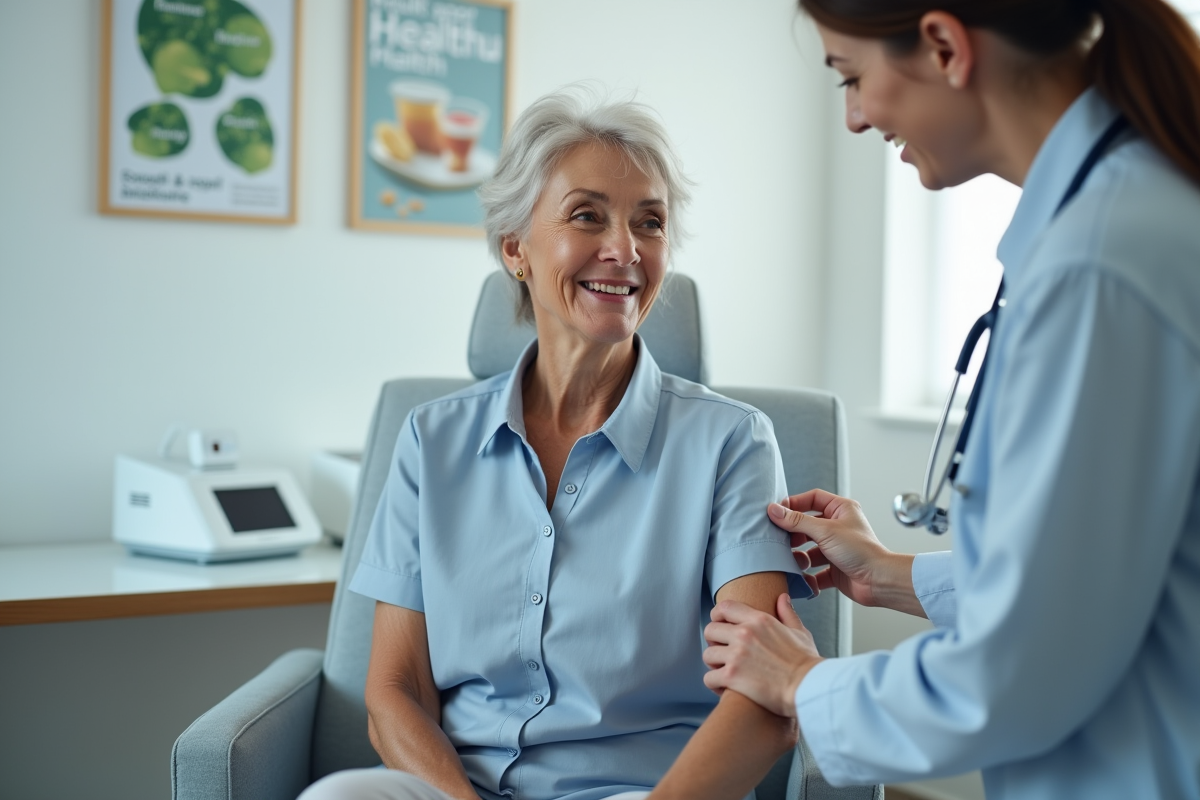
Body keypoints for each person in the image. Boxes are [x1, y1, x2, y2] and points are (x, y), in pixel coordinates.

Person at [700, 1, 1200, 798]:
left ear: (943, 45)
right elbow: (1095, 570)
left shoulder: (1100, 266)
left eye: (853, 77)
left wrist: (803, 686)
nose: (855, 118)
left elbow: (1028, 667)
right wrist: (891, 575)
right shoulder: (1119, 216)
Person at [298, 88, 814, 800]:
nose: (625, 250)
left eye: (650, 223)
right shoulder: (430, 438)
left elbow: (762, 701)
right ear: (516, 248)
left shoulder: (732, 443)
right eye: (587, 215)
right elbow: (395, 690)